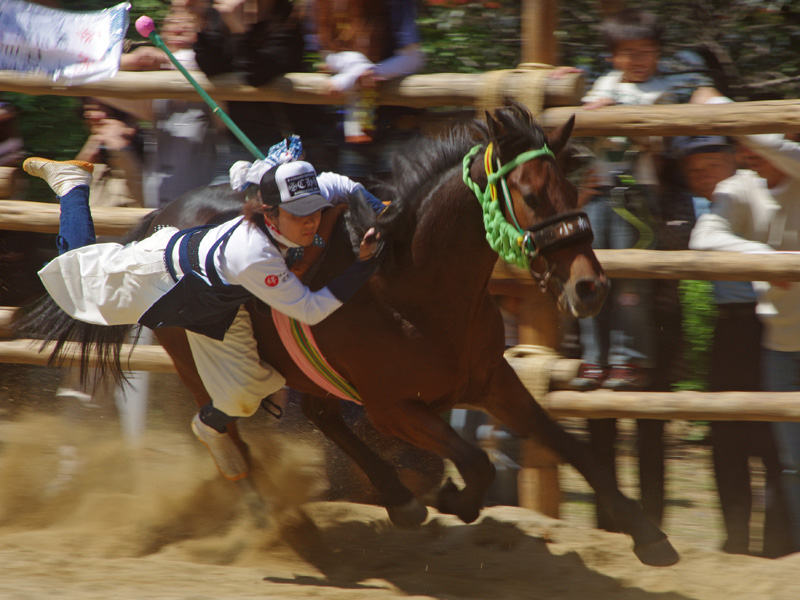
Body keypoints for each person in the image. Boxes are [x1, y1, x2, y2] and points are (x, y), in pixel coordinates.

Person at [22, 146, 384, 482]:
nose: (310, 222)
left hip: (216, 300)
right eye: (298, 214)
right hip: (160, 279)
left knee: (247, 392)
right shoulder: (254, 255)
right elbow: (310, 308)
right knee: (76, 281)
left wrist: (378, 216)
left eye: (315, 210)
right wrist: (364, 266)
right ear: (269, 213)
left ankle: (210, 425)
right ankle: (71, 184)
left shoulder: (295, 196)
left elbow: (340, 182)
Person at [688, 89, 800, 554]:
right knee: (790, 459)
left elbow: (778, 147)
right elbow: (704, 238)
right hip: (779, 342)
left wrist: (719, 108)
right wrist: (771, 261)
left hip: (778, 339)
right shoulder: (741, 187)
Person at [189, 0, 330, 169]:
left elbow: (257, 76)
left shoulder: (289, 18)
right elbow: (211, 67)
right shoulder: (223, 13)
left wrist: (238, 29)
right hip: (236, 141)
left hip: (282, 146)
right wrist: (201, 21)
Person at [308, 0, 424, 179]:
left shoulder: (395, 4)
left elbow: (413, 57)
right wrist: (357, 66)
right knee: (354, 199)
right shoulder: (319, 5)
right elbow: (325, 55)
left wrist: (367, 72)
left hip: (397, 126)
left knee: (398, 200)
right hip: (350, 132)